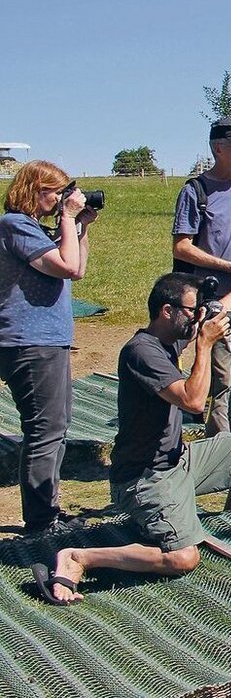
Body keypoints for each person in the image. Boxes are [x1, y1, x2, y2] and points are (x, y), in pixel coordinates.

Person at [32, 273, 231, 605]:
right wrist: (204, 344)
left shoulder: (168, 337)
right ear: (167, 311)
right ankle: (80, 557)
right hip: (144, 479)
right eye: (192, 310)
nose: (198, 317)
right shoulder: (141, 352)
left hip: (179, 460)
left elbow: (211, 314)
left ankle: (228, 517)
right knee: (183, 559)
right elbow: (192, 401)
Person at [0, 161, 97, 535]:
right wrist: (68, 219)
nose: (60, 199)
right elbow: (67, 267)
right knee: (44, 430)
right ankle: (40, 521)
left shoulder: (28, 228)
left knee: (55, 427)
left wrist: (80, 227)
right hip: (29, 342)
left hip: (45, 340)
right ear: (33, 189)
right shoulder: (14, 226)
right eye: (54, 191)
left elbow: (79, 266)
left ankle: (47, 512)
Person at [172, 117, 231, 436]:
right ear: (218, 148)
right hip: (215, 302)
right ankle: (219, 447)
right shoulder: (195, 190)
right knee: (222, 378)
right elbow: (181, 247)